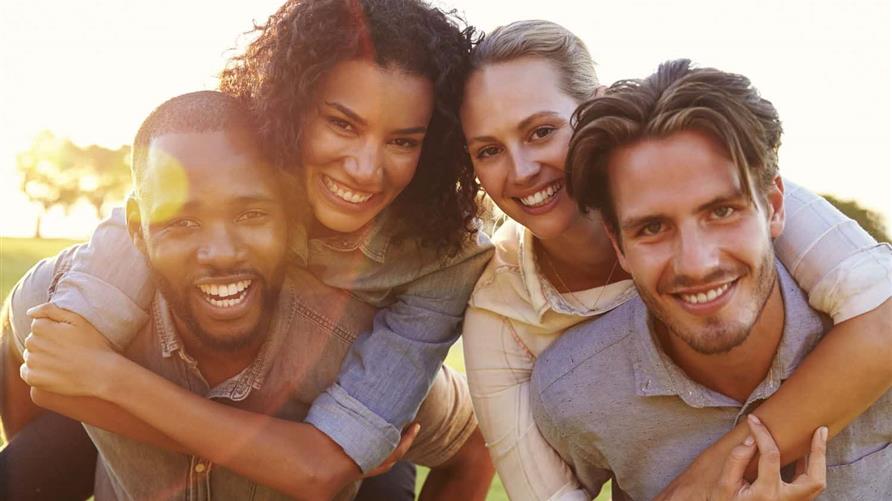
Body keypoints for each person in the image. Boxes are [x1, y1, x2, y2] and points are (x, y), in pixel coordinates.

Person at [4, 0, 494, 497]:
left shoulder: (433, 267)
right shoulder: (163, 225)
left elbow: (327, 465)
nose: (365, 170)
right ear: (291, 112)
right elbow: (43, 360)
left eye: (403, 141)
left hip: (356, 421)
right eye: (342, 124)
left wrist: (109, 383)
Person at [459, 20, 892, 500]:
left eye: (541, 131)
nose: (521, 171)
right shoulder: (508, 323)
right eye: (488, 150)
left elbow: (882, 314)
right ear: (619, 243)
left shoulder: (727, 180)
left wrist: (714, 476)